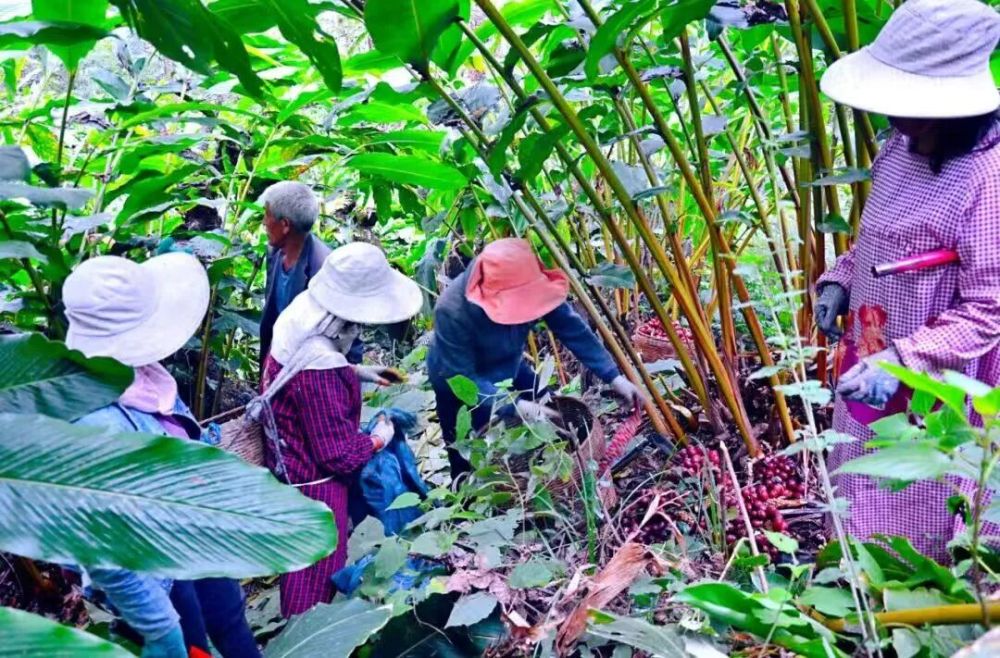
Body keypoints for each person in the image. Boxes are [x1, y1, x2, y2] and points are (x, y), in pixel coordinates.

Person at [816, 0, 1000, 561]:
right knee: (860, 475)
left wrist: (904, 360)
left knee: (923, 495)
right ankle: (859, 579)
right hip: (871, 350)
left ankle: (925, 595)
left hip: (938, 376)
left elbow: (989, 309)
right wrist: (840, 280)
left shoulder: (988, 178)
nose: (894, 117)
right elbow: (880, 240)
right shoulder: (898, 148)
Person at [64, 254, 261, 657]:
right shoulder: (94, 422)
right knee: (192, 645)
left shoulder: (144, 378)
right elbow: (106, 550)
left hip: (198, 533)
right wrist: (160, 629)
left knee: (230, 624)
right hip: (160, 570)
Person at [257, 242, 423, 617]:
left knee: (299, 561)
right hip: (313, 485)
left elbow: (299, 367)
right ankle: (308, 635)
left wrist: (358, 372)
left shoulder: (301, 312)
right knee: (315, 572)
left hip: (288, 461)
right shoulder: (320, 368)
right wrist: (380, 438)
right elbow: (338, 455)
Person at [427, 238, 645, 477]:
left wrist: (613, 376)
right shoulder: (452, 310)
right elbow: (461, 375)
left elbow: (571, 328)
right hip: (459, 380)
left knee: (554, 419)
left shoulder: (530, 285)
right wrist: (517, 406)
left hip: (509, 365)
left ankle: (558, 480)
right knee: (470, 456)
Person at [258, 181, 361, 368]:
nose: (264, 222)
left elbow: (349, 340)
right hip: (279, 361)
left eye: (267, 215)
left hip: (311, 370)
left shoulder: (325, 270)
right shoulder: (275, 253)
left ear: (285, 225)